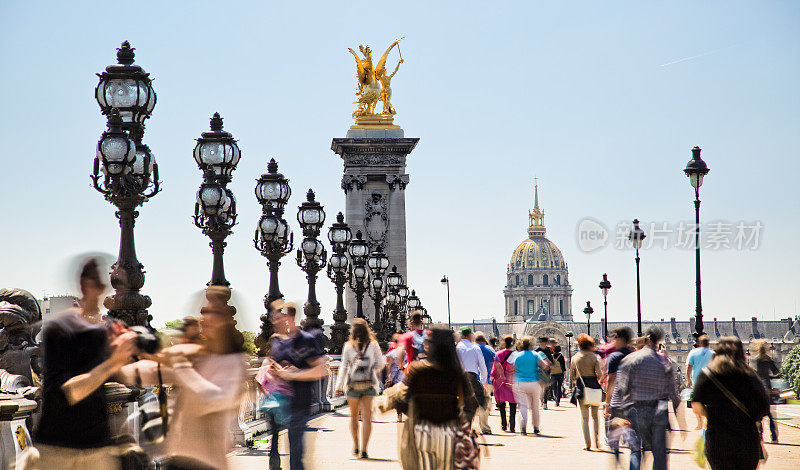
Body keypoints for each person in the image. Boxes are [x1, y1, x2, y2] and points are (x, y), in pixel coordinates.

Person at [32, 258, 138, 470]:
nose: (103, 291)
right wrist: (113, 362)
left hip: (97, 447)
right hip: (58, 450)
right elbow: (70, 392)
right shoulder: (60, 329)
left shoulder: (102, 333)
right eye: (98, 284)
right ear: (84, 285)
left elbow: (124, 376)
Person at [126, 291, 247, 470]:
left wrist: (181, 365)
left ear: (224, 320)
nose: (204, 318)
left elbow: (216, 399)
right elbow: (158, 373)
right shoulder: (199, 354)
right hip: (180, 455)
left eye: (210, 311)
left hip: (207, 460)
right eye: (203, 312)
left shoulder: (233, 361)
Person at [401, 328, 477, 470]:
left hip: (423, 434)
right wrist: (461, 421)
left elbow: (402, 401)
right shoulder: (457, 375)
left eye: (428, 342)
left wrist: (415, 415)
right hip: (450, 434)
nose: (425, 344)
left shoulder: (418, 371)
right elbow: (471, 404)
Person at [691, 337, 770, 470]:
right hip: (747, 438)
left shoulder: (708, 374)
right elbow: (762, 408)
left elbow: (696, 405)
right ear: (741, 352)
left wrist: (711, 414)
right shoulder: (750, 375)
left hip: (718, 438)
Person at [269, 301, 328, 470]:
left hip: (298, 403)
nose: (275, 321)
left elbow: (322, 370)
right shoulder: (277, 341)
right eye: (274, 318)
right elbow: (274, 366)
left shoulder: (306, 340)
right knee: (274, 455)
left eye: (279, 317)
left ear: (291, 318)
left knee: (295, 455)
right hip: (276, 403)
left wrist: (294, 374)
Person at [613, 327, 680, 470]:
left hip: (636, 409)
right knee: (660, 453)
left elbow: (621, 388)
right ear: (657, 340)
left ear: (647, 339)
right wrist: (678, 416)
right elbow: (673, 391)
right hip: (658, 410)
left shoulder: (630, 359)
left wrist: (618, 411)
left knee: (636, 450)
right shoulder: (663, 362)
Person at [335, 318, 385, 458]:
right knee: (367, 418)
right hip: (369, 384)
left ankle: (356, 445)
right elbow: (381, 363)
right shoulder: (373, 344)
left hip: (352, 385)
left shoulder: (348, 345)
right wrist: (370, 369)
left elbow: (344, 366)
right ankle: (364, 449)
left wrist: (338, 386)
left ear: (353, 330)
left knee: (354, 417)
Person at [569, 334, 604, 450]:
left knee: (584, 418)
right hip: (594, 387)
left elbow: (572, 376)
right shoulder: (594, 357)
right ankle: (597, 441)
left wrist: (573, 384)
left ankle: (587, 444)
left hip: (581, 388)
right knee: (595, 416)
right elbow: (599, 374)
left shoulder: (575, 358)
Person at [510, 336, 549, 435]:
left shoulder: (517, 356)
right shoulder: (536, 354)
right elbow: (545, 366)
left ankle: (523, 429)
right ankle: (536, 428)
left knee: (523, 406)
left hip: (520, 382)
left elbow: (512, 368)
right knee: (535, 406)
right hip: (534, 383)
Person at [604, 327, 634, 437]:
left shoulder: (614, 357)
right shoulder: (635, 355)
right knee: (632, 434)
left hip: (617, 400)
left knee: (613, 437)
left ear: (621, 339)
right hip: (633, 400)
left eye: (615, 338)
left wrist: (607, 403)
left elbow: (610, 381)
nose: (613, 341)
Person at [455, 327, 487, 425]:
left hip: (459, 378)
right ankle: (470, 424)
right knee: (476, 402)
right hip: (472, 378)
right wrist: (482, 381)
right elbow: (482, 366)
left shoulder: (456, 347)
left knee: (459, 403)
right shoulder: (475, 347)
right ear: (469, 335)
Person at [751, 339, 779, 443]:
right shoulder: (768, 359)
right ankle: (774, 436)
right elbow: (776, 371)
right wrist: (770, 376)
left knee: (759, 413)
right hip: (767, 386)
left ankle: (760, 435)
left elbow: (755, 372)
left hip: (759, 387)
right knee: (770, 413)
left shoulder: (756, 359)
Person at [491, 335, 517, 433]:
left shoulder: (498, 353)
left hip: (500, 381)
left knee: (501, 405)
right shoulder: (515, 354)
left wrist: (492, 378)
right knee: (513, 404)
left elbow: (494, 368)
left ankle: (503, 424)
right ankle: (512, 426)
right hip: (512, 381)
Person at [474, 332, 496, 434]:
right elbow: (495, 364)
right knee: (485, 405)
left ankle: (475, 426)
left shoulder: (472, 348)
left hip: (474, 379)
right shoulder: (490, 349)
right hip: (487, 380)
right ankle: (484, 427)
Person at [536, 337, 554, 409]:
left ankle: (545, 402)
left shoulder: (547, 350)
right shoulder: (537, 351)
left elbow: (551, 361)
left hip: (546, 371)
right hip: (539, 370)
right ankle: (541, 400)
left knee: (546, 387)